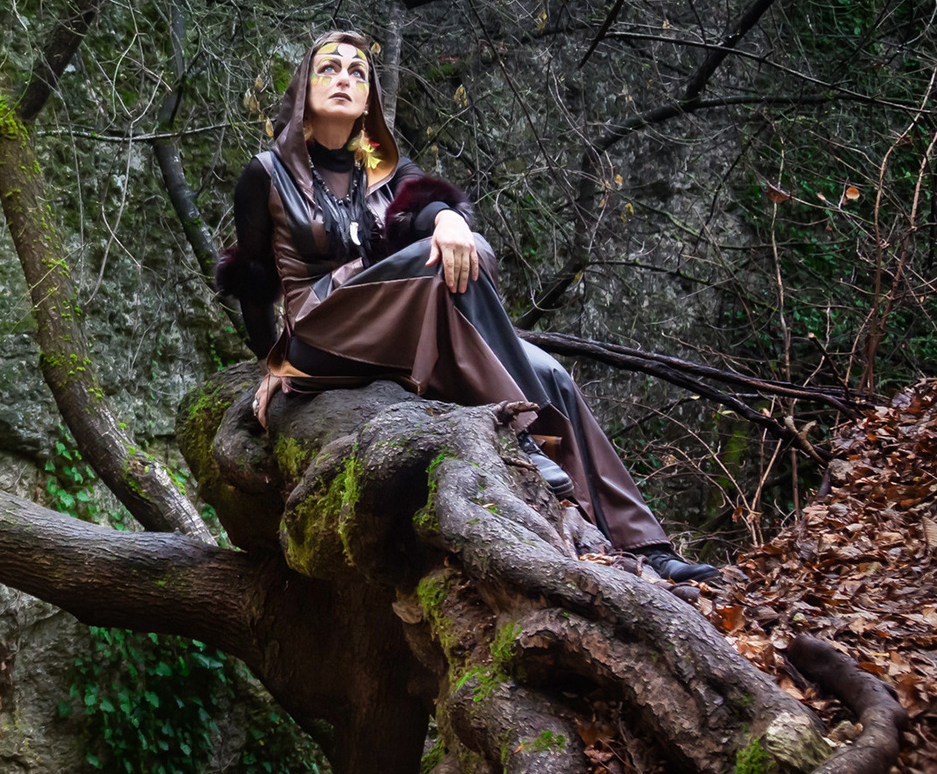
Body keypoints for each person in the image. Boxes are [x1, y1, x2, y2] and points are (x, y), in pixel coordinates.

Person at [214, 30, 717, 585]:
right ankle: (522, 439)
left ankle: (645, 547)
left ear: (369, 98)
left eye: (358, 72)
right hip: (321, 332)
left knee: (549, 368)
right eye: (329, 68)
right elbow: (252, 280)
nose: (344, 79)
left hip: (391, 328)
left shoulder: (380, 166)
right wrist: (273, 361)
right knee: (433, 264)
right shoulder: (267, 171)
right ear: (303, 86)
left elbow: (421, 210)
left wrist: (449, 217)